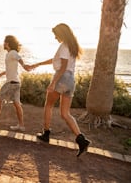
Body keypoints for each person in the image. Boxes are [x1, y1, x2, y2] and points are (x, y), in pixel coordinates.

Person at [31, 23, 90, 157]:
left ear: (61, 33)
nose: (55, 37)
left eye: (55, 34)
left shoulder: (64, 46)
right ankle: (81, 140)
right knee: (65, 114)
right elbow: (56, 60)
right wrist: (38, 64)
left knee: (48, 105)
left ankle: (46, 134)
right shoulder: (72, 46)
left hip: (62, 78)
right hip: (70, 81)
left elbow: (62, 67)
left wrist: (53, 83)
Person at [0, 35, 31, 132]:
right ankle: (21, 125)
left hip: (11, 83)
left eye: (4, 42)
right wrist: (0, 74)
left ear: (8, 43)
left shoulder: (12, 53)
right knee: (17, 104)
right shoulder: (9, 54)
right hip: (16, 82)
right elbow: (9, 69)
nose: (3, 43)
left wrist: (24, 65)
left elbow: (19, 58)